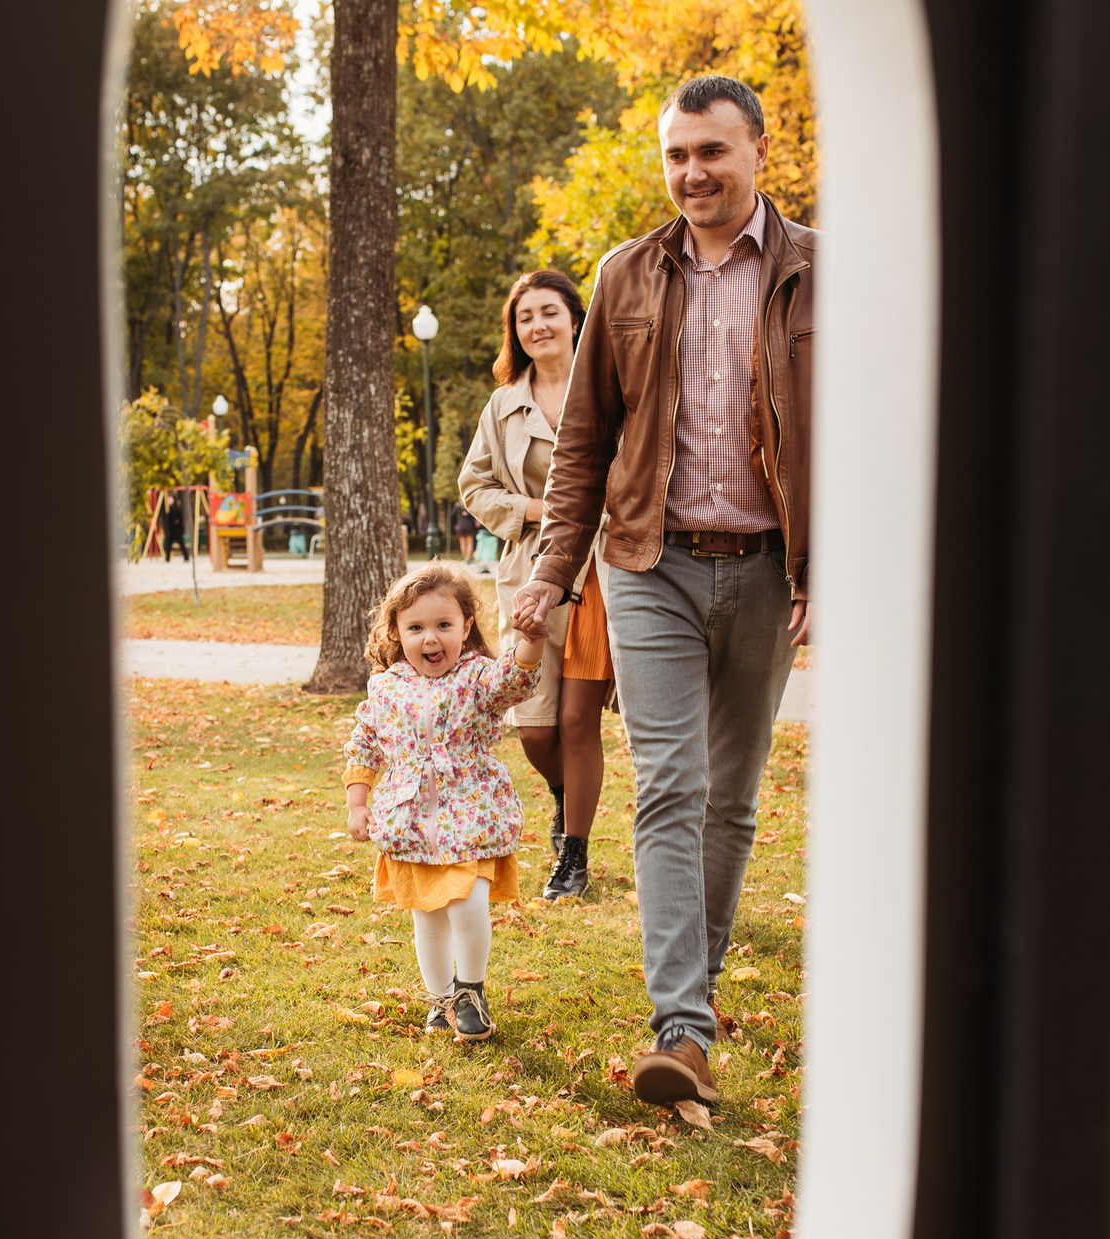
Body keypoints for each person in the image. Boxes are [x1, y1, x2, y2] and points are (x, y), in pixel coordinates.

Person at [509, 73, 814, 1111]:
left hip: (770, 568)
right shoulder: (625, 275)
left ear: (758, 151)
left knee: (731, 795)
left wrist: (833, 568)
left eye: (712, 152)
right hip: (649, 562)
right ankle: (681, 1025)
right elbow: (584, 441)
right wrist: (552, 575)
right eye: (677, 154)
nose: (692, 172)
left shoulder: (823, 272)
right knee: (671, 786)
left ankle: (702, 981)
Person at [456, 268, 616, 902]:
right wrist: (535, 511)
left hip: (602, 572)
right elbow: (475, 486)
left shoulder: (610, 384)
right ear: (515, 332)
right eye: (525, 318)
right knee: (535, 729)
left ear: (575, 318)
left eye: (549, 312)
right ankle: (563, 796)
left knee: (578, 721)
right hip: (530, 574)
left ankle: (573, 855)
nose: (538, 325)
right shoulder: (504, 404)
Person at [341, 565, 547, 1043]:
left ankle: (469, 992)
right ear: (396, 632)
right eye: (415, 628)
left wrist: (531, 640)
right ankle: (438, 1001)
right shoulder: (387, 687)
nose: (430, 639)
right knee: (428, 918)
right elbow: (365, 743)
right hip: (410, 822)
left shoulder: (476, 678)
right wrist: (358, 802)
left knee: (469, 906)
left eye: (443, 626)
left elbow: (515, 678)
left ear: (465, 627)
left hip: (468, 815)